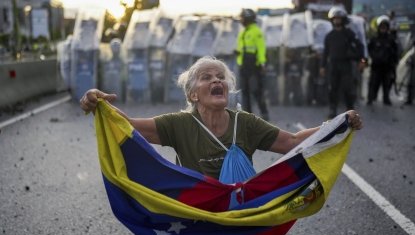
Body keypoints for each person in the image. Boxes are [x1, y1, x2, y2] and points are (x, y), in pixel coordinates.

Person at [80, 56, 363, 180]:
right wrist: (96, 101)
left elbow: (292, 142)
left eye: (221, 77)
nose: (217, 81)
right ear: (193, 95)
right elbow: (127, 127)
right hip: (196, 213)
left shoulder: (246, 122)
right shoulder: (178, 125)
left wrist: (336, 124)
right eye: (207, 78)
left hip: (239, 214)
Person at [320, 6, 364, 118]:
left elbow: (360, 46)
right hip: (333, 65)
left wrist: (362, 60)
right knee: (332, 88)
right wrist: (322, 66)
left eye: (339, 18)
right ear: (332, 20)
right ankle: (332, 109)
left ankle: (350, 111)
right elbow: (325, 52)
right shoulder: (329, 36)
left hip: (346, 65)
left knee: (347, 88)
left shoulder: (349, 33)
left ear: (343, 19)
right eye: (335, 18)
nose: (337, 20)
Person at [235, 8, 269, 120]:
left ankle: (264, 113)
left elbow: (261, 49)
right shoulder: (243, 32)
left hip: (254, 65)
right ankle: (247, 114)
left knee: (256, 90)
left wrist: (263, 64)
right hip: (243, 65)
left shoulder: (256, 32)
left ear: (248, 18)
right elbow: (241, 47)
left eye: (242, 18)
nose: (241, 20)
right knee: (244, 90)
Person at [367, 15, 399, 106]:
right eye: (381, 26)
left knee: (387, 84)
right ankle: (371, 98)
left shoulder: (391, 39)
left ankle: (386, 98)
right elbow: (369, 50)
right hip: (376, 66)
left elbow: (396, 51)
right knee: (373, 83)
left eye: (385, 26)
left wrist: (395, 62)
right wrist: (374, 57)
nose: (383, 28)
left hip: (387, 66)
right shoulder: (374, 39)